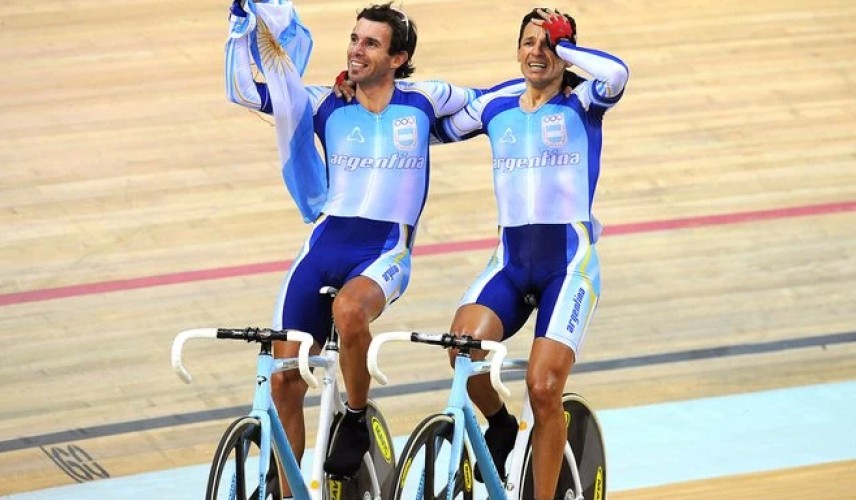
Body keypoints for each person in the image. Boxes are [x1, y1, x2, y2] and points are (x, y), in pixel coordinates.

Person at [224, 1, 484, 486]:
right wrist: (241, 30)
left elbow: (492, 103)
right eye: (354, 39)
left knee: (348, 311)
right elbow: (245, 91)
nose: (356, 50)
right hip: (323, 246)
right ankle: (288, 492)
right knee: (282, 378)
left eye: (371, 44)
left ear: (398, 59)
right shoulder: (325, 103)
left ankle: (357, 417)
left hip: (384, 251)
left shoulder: (425, 100)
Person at [431, 8, 629, 500]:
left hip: (569, 266)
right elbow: (431, 128)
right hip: (511, 263)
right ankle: (499, 423)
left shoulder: (583, 101)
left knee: (543, 389)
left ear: (565, 52)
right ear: (516, 49)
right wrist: (367, 90)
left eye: (549, 44)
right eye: (529, 42)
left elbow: (617, 73)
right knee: (461, 349)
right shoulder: (496, 104)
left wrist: (568, 48)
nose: (537, 52)